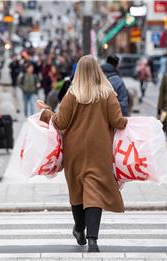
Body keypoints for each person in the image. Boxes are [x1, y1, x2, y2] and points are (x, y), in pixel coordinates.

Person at [37, 55, 127, 252]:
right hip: (100, 151)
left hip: (75, 151)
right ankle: (92, 239)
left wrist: (46, 113)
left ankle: (79, 228)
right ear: (97, 71)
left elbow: (60, 122)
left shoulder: (72, 94)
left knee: (77, 190)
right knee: (95, 192)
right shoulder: (107, 94)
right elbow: (119, 122)